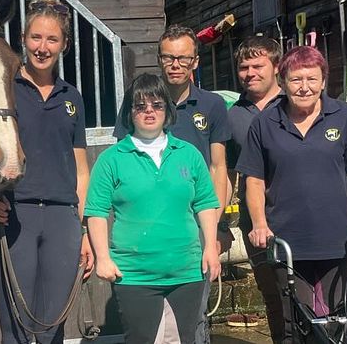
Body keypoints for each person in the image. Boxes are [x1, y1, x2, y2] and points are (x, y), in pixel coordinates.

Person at [236, 46, 347, 344]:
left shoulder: (341, 115)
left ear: (324, 81)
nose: (304, 87)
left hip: (336, 237)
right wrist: (259, 224)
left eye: (312, 79)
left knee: (339, 319)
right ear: (284, 80)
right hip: (287, 239)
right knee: (297, 322)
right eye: (296, 79)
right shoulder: (266, 123)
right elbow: (253, 179)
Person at [0, 0, 94, 344]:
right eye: (36, 37)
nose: (42, 47)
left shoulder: (72, 97)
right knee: (14, 328)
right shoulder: (5, 88)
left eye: (52, 39)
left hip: (62, 220)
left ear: (64, 44)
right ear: (23, 39)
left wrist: (84, 227)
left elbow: (80, 168)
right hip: (15, 214)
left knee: (51, 328)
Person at [115, 23, 230, 343]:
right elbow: (122, 161)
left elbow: (218, 167)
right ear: (159, 59)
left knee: (193, 322)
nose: (175, 65)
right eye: (168, 58)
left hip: (194, 229)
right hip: (147, 235)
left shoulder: (212, 106)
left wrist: (216, 229)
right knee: (146, 329)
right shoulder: (139, 103)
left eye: (183, 58)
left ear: (196, 61)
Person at [85, 72, 220, 344]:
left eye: (157, 105)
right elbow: (96, 212)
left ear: (167, 110)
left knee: (184, 340)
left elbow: (206, 203)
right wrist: (103, 257)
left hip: (186, 272)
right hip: (135, 275)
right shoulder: (111, 159)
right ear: (130, 112)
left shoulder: (189, 154)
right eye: (140, 106)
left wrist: (210, 247)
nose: (149, 111)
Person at [226, 35, 285, 342]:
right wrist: (224, 222)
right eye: (244, 67)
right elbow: (229, 172)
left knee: (303, 292)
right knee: (272, 294)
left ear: (276, 66)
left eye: (258, 65)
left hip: (297, 214)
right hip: (256, 220)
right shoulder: (234, 115)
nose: (250, 73)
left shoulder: (295, 105)